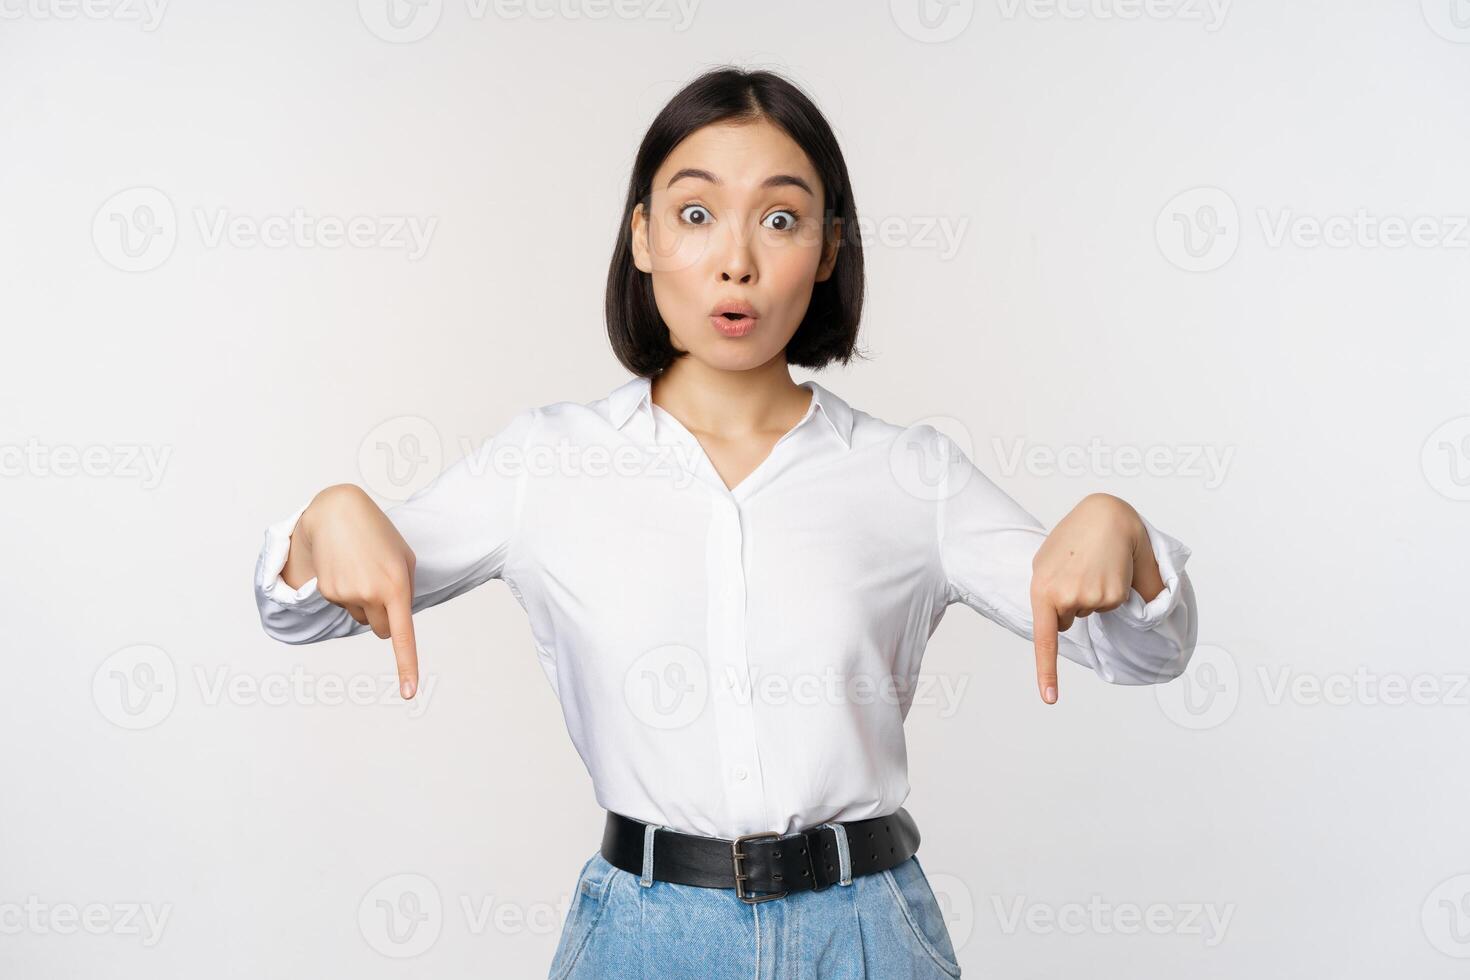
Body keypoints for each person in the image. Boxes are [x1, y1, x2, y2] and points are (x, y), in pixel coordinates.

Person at [252, 66, 1198, 979]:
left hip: (867, 933)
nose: (736, 259)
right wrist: (325, 522)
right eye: (695, 214)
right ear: (642, 237)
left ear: (827, 249)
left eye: (779, 219)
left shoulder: (913, 475)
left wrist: (1125, 539)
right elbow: (309, 606)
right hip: (644, 936)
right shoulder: (545, 463)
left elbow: (1144, 652)